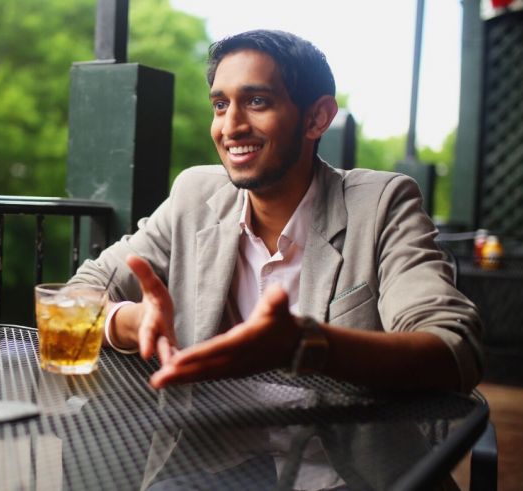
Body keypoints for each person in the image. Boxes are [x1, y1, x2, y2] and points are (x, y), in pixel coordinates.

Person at [70, 29, 482, 393]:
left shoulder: (382, 203)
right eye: (219, 105)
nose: (230, 126)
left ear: (316, 118)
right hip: (208, 457)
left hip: (339, 469)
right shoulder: (195, 195)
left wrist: (305, 346)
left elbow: (454, 348)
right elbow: (75, 295)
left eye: (257, 101)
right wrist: (130, 320)